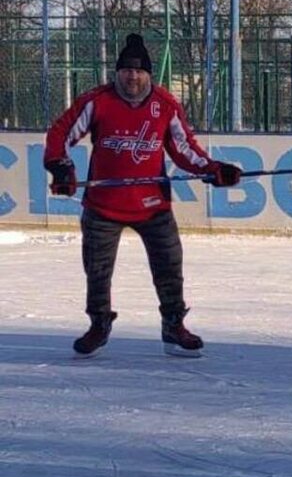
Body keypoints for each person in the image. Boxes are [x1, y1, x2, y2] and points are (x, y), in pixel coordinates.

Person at [43, 33, 242, 358]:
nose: (132, 77)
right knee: (97, 271)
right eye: (126, 71)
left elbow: (184, 149)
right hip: (103, 207)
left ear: (149, 75)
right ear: (117, 73)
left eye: (139, 72)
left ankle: (173, 325)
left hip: (153, 207)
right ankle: (99, 324)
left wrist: (214, 169)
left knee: (169, 267)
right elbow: (61, 133)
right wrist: (62, 169)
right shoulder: (97, 101)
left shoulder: (165, 105)